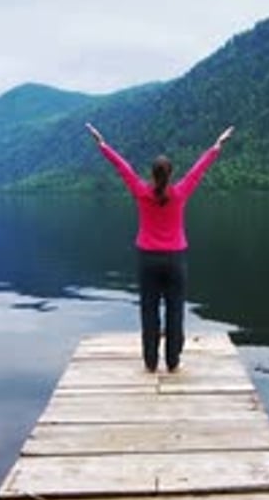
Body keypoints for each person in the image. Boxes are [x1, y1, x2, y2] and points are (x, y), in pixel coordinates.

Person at [85, 121, 234, 373]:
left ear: (153, 174)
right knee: (175, 310)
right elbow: (198, 170)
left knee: (149, 311)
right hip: (175, 259)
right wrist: (216, 146)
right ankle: (173, 361)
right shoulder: (179, 193)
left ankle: (151, 362)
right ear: (170, 174)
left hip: (148, 260)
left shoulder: (142, 191)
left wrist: (103, 145)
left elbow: (124, 169)